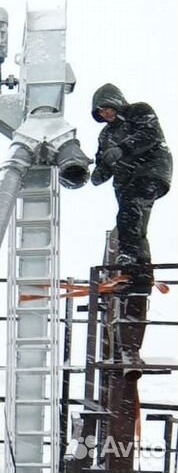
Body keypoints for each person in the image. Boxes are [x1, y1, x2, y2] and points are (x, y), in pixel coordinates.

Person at [90, 83, 173, 379]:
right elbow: (104, 162)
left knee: (130, 215)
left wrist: (122, 149)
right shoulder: (106, 134)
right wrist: (98, 171)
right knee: (134, 225)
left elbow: (149, 137)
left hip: (149, 171)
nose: (107, 114)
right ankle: (139, 265)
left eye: (109, 108)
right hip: (126, 181)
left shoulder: (140, 111)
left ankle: (129, 258)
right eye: (101, 112)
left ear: (117, 104)